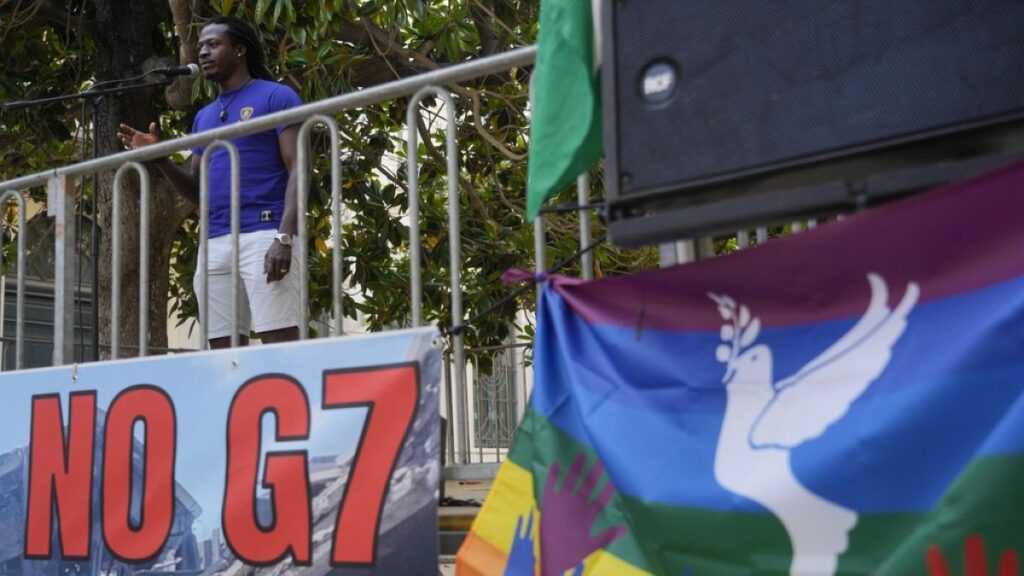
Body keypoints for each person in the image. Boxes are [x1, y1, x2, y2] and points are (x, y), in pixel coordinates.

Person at [118, 16, 302, 349]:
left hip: (266, 232)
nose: (202, 52)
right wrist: (160, 158)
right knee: (223, 355)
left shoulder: (277, 96)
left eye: (213, 44)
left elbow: (299, 170)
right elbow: (198, 191)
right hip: (215, 241)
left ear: (240, 50)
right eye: (201, 45)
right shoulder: (203, 117)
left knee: (281, 347)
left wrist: (284, 237)